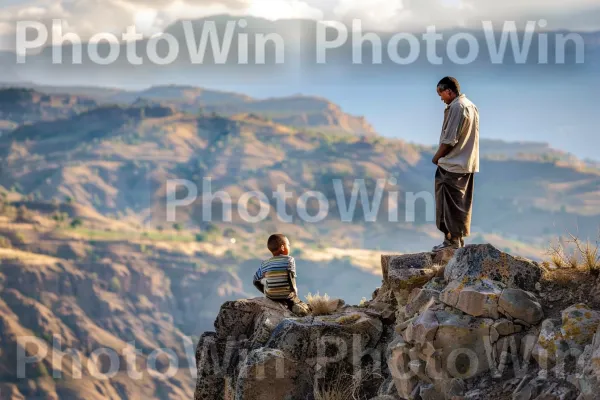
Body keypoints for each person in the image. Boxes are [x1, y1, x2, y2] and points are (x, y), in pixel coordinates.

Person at [431, 77, 479, 251]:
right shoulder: (471, 106)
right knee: (460, 204)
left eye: (441, 93)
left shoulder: (457, 107)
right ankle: (456, 241)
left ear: (449, 91)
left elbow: (450, 139)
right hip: (466, 163)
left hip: (452, 164)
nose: (441, 98)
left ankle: (451, 242)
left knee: (448, 204)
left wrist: (436, 158)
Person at [253, 234, 311, 316]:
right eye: (288, 245)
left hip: (271, 296)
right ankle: (296, 309)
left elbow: (255, 280)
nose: (289, 247)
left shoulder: (265, 264)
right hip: (286, 295)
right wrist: (294, 293)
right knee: (300, 305)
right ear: (283, 247)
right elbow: (290, 276)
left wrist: (266, 292)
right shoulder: (289, 260)